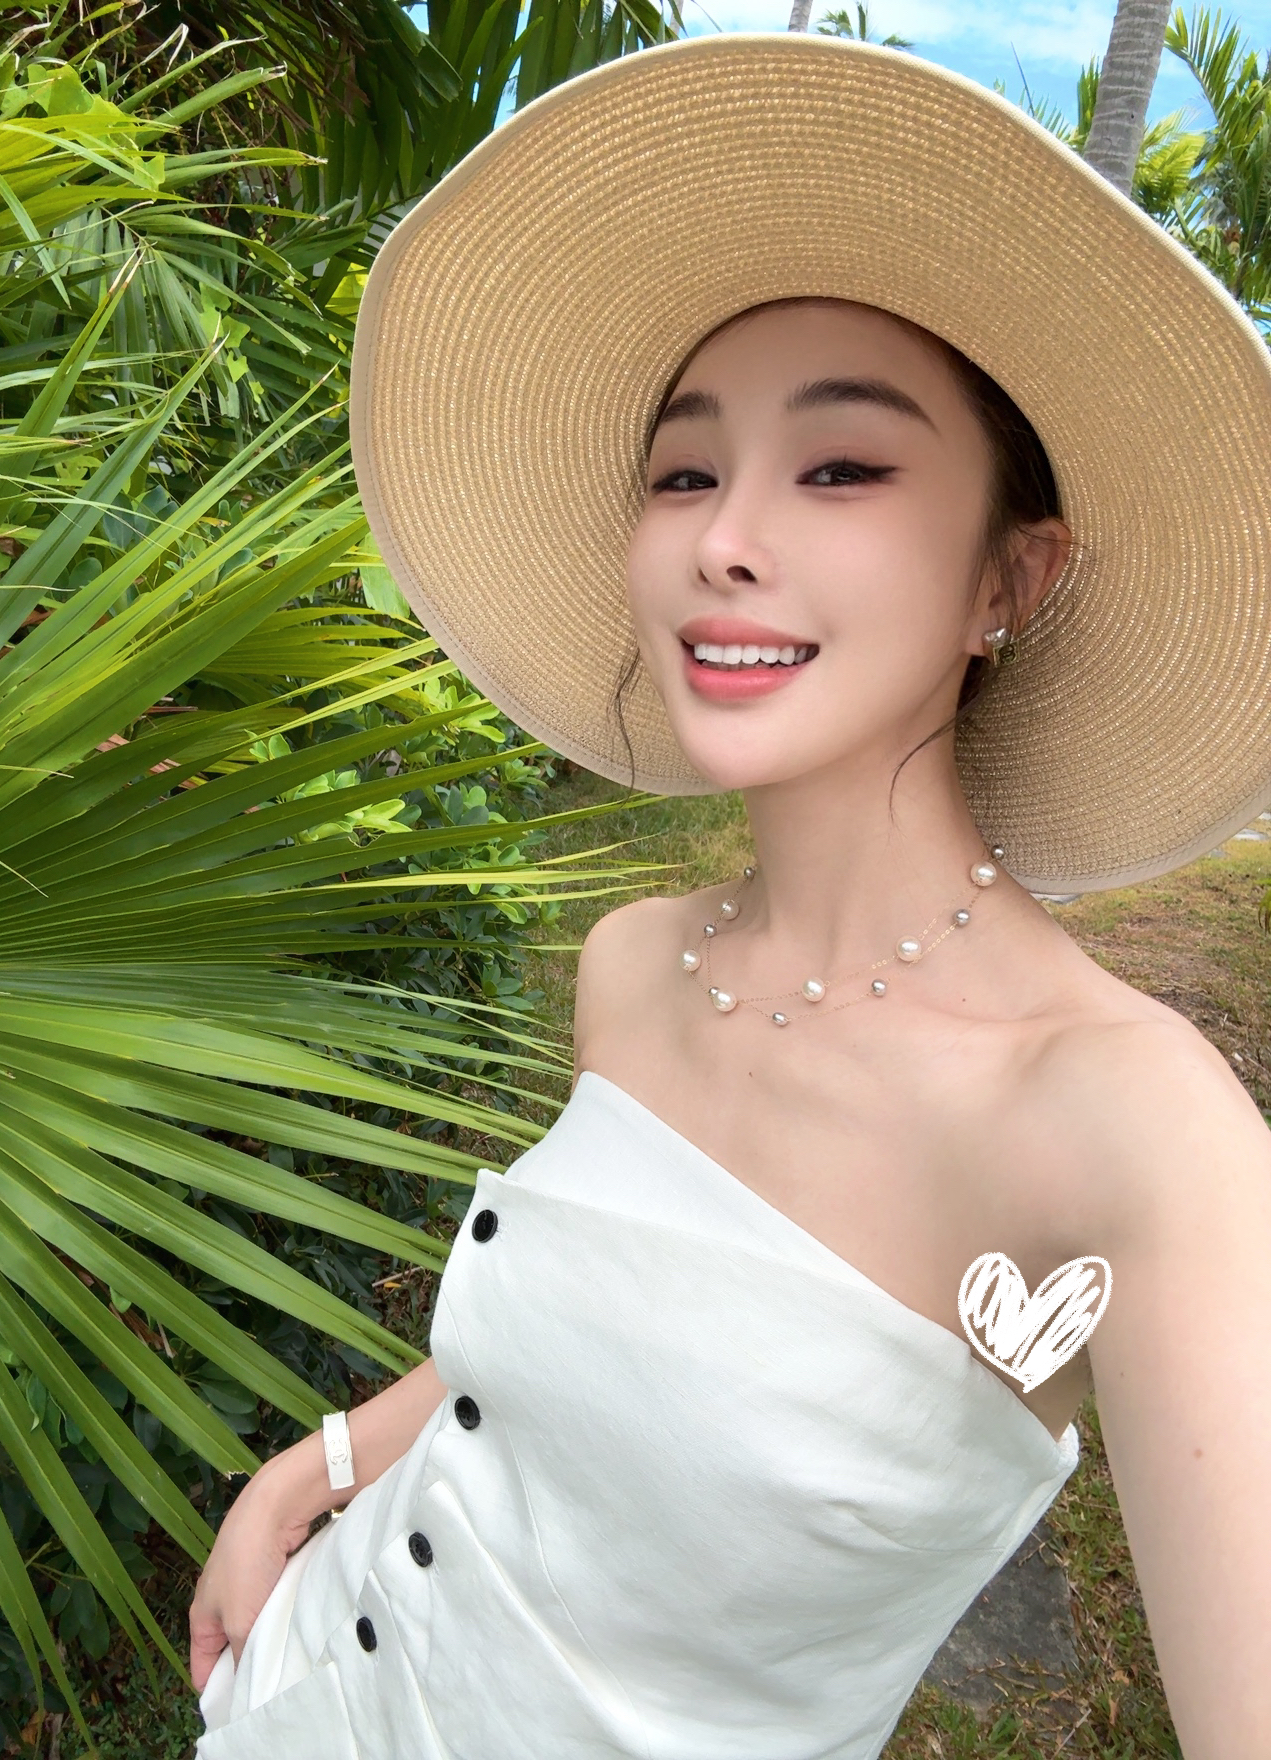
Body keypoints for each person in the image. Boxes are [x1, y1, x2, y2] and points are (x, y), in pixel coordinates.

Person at [189, 32, 1271, 1760]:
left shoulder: (1131, 1134)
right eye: (685, 472)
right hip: (291, 1694)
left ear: (1012, 575)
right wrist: (311, 1469)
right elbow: (580, 1347)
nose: (720, 540)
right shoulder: (635, 966)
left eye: (840, 468)